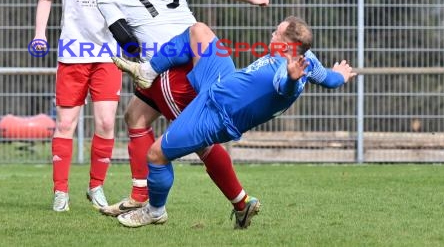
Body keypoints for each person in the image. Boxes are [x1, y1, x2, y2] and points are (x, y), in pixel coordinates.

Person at [96, 0, 270, 228]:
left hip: (169, 70)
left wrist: (144, 62)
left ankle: (239, 202)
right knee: (135, 115)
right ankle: (139, 193)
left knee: (198, 137)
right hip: (197, 51)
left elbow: (123, 37)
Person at [111, 16, 357, 227]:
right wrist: (341, 76)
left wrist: (293, 79)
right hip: (217, 82)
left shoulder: (285, 71)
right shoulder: (308, 59)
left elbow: (285, 86)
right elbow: (329, 79)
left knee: (156, 155)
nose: (271, 34)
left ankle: (155, 212)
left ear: (287, 45)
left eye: (276, 32)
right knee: (199, 31)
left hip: (215, 116)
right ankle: (148, 70)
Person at [32, 0, 120, 212]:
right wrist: (39, 34)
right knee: (66, 123)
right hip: (73, 55)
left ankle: (96, 187)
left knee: (107, 122)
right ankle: (61, 192)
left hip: (108, 56)